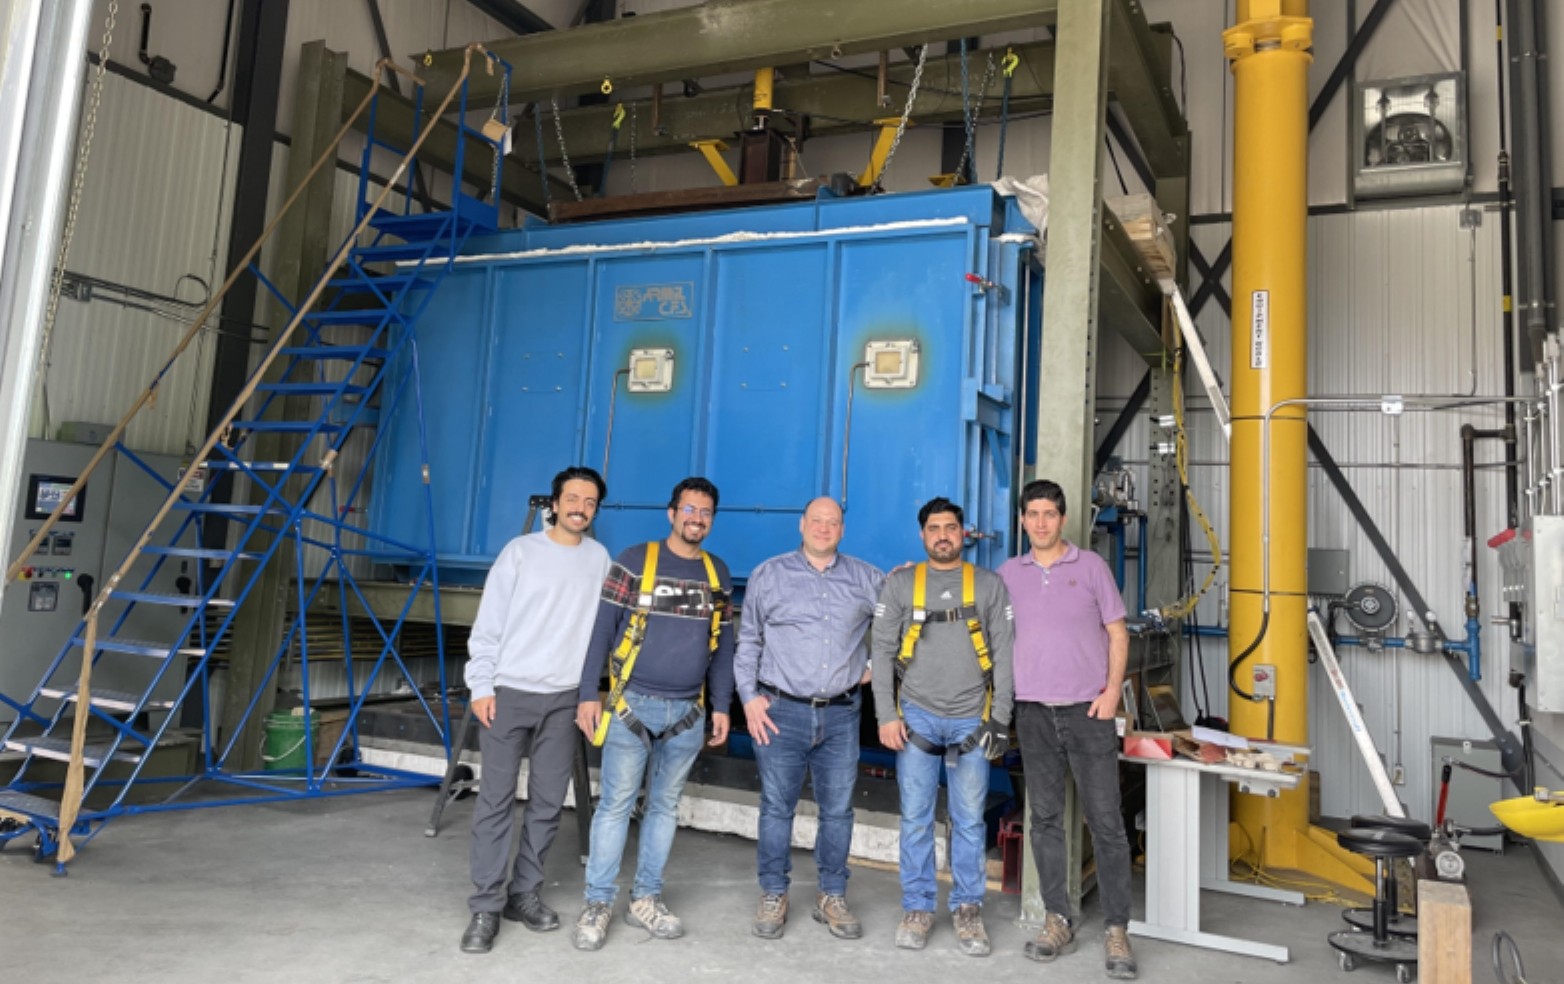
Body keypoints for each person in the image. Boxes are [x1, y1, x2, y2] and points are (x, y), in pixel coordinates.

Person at [571, 476, 736, 951]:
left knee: (664, 808)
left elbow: (723, 646)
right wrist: (589, 694)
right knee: (616, 806)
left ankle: (645, 897)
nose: (696, 519)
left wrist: (722, 705)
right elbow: (602, 631)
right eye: (689, 510)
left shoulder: (717, 573)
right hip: (631, 706)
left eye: (705, 513)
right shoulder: (633, 561)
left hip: (688, 712)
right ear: (671, 513)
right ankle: (598, 902)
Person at [459, 466, 612, 955]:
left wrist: (596, 691)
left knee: (547, 804)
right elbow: (488, 625)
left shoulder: (600, 559)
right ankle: (485, 904)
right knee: (495, 802)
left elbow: (601, 634)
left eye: (590, 502)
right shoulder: (520, 552)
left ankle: (523, 894)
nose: (580, 508)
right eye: (573, 498)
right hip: (509, 693)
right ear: (555, 502)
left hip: (565, 699)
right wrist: (482, 685)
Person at [998, 479, 1136, 980]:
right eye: (1031, 513)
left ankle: (1117, 928)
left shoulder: (1092, 568)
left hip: (1088, 712)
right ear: (1021, 520)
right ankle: (1058, 918)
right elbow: (974, 608)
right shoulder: (1008, 573)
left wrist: (1112, 691)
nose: (1040, 522)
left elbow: (1116, 630)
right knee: (1046, 820)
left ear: (1062, 518)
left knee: (1106, 822)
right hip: (1033, 713)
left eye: (1049, 514)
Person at [734, 497, 884, 941]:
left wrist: (876, 663)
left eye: (832, 522)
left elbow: (900, 624)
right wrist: (748, 697)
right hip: (780, 712)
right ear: (801, 525)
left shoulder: (866, 578)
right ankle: (773, 892)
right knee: (776, 809)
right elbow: (748, 641)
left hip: (841, 715)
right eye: (816, 521)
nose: (823, 528)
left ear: (842, 529)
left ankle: (831, 894)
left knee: (837, 811)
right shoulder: (769, 574)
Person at [870, 497, 1015, 956]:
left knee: (969, 821)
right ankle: (917, 906)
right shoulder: (900, 585)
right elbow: (881, 653)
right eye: (934, 528)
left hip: (973, 717)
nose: (943, 536)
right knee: (915, 819)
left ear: (963, 533)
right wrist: (885, 716)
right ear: (922, 535)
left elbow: (1006, 655)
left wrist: (1001, 719)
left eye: (950, 527)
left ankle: (968, 908)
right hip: (916, 717)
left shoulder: (989, 586)